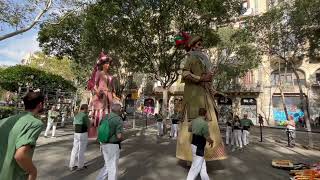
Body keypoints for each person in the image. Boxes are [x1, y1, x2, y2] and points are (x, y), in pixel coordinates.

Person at [176, 33, 226, 161]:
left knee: (209, 122)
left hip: (205, 95)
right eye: (198, 44)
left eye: (201, 44)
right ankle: (190, 157)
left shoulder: (202, 61)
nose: (201, 46)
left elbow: (206, 80)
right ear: (192, 47)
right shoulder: (191, 58)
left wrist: (211, 87)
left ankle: (207, 156)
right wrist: (201, 78)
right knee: (193, 125)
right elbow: (185, 73)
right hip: (194, 96)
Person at [0, 92, 45, 180]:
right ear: (40, 104)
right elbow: (20, 155)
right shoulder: (35, 123)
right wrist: (33, 171)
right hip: (13, 175)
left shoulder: (5, 120)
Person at [87, 52, 119, 138]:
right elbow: (94, 84)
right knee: (99, 116)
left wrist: (114, 95)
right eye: (106, 63)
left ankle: (106, 134)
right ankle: (98, 135)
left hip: (109, 97)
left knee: (108, 116)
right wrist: (98, 93)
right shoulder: (99, 73)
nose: (108, 65)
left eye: (108, 63)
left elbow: (112, 88)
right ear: (102, 64)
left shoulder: (110, 76)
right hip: (101, 97)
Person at [96, 103, 124, 180]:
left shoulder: (105, 116)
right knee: (113, 168)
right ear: (119, 110)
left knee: (107, 165)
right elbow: (119, 136)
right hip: (113, 145)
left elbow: (99, 128)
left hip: (103, 143)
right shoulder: (118, 119)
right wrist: (122, 137)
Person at [186, 108, 213, 180]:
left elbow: (189, 129)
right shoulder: (204, 123)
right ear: (205, 114)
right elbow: (206, 136)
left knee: (202, 165)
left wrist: (196, 129)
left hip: (193, 143)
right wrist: (211, 141)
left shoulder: (193, 121)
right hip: (199, 145)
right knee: (195, 166)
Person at [69, 104, 90, 171]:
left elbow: (74, 125)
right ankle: (80, 166)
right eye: (87, 109)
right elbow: (89, 125)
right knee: (81, 149)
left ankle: (71, 165)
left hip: (76, 133)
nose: (88, 110)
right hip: (83, 133)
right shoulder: (85, 115)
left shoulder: (77, 114)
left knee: (74, 149)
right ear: (85, 109)